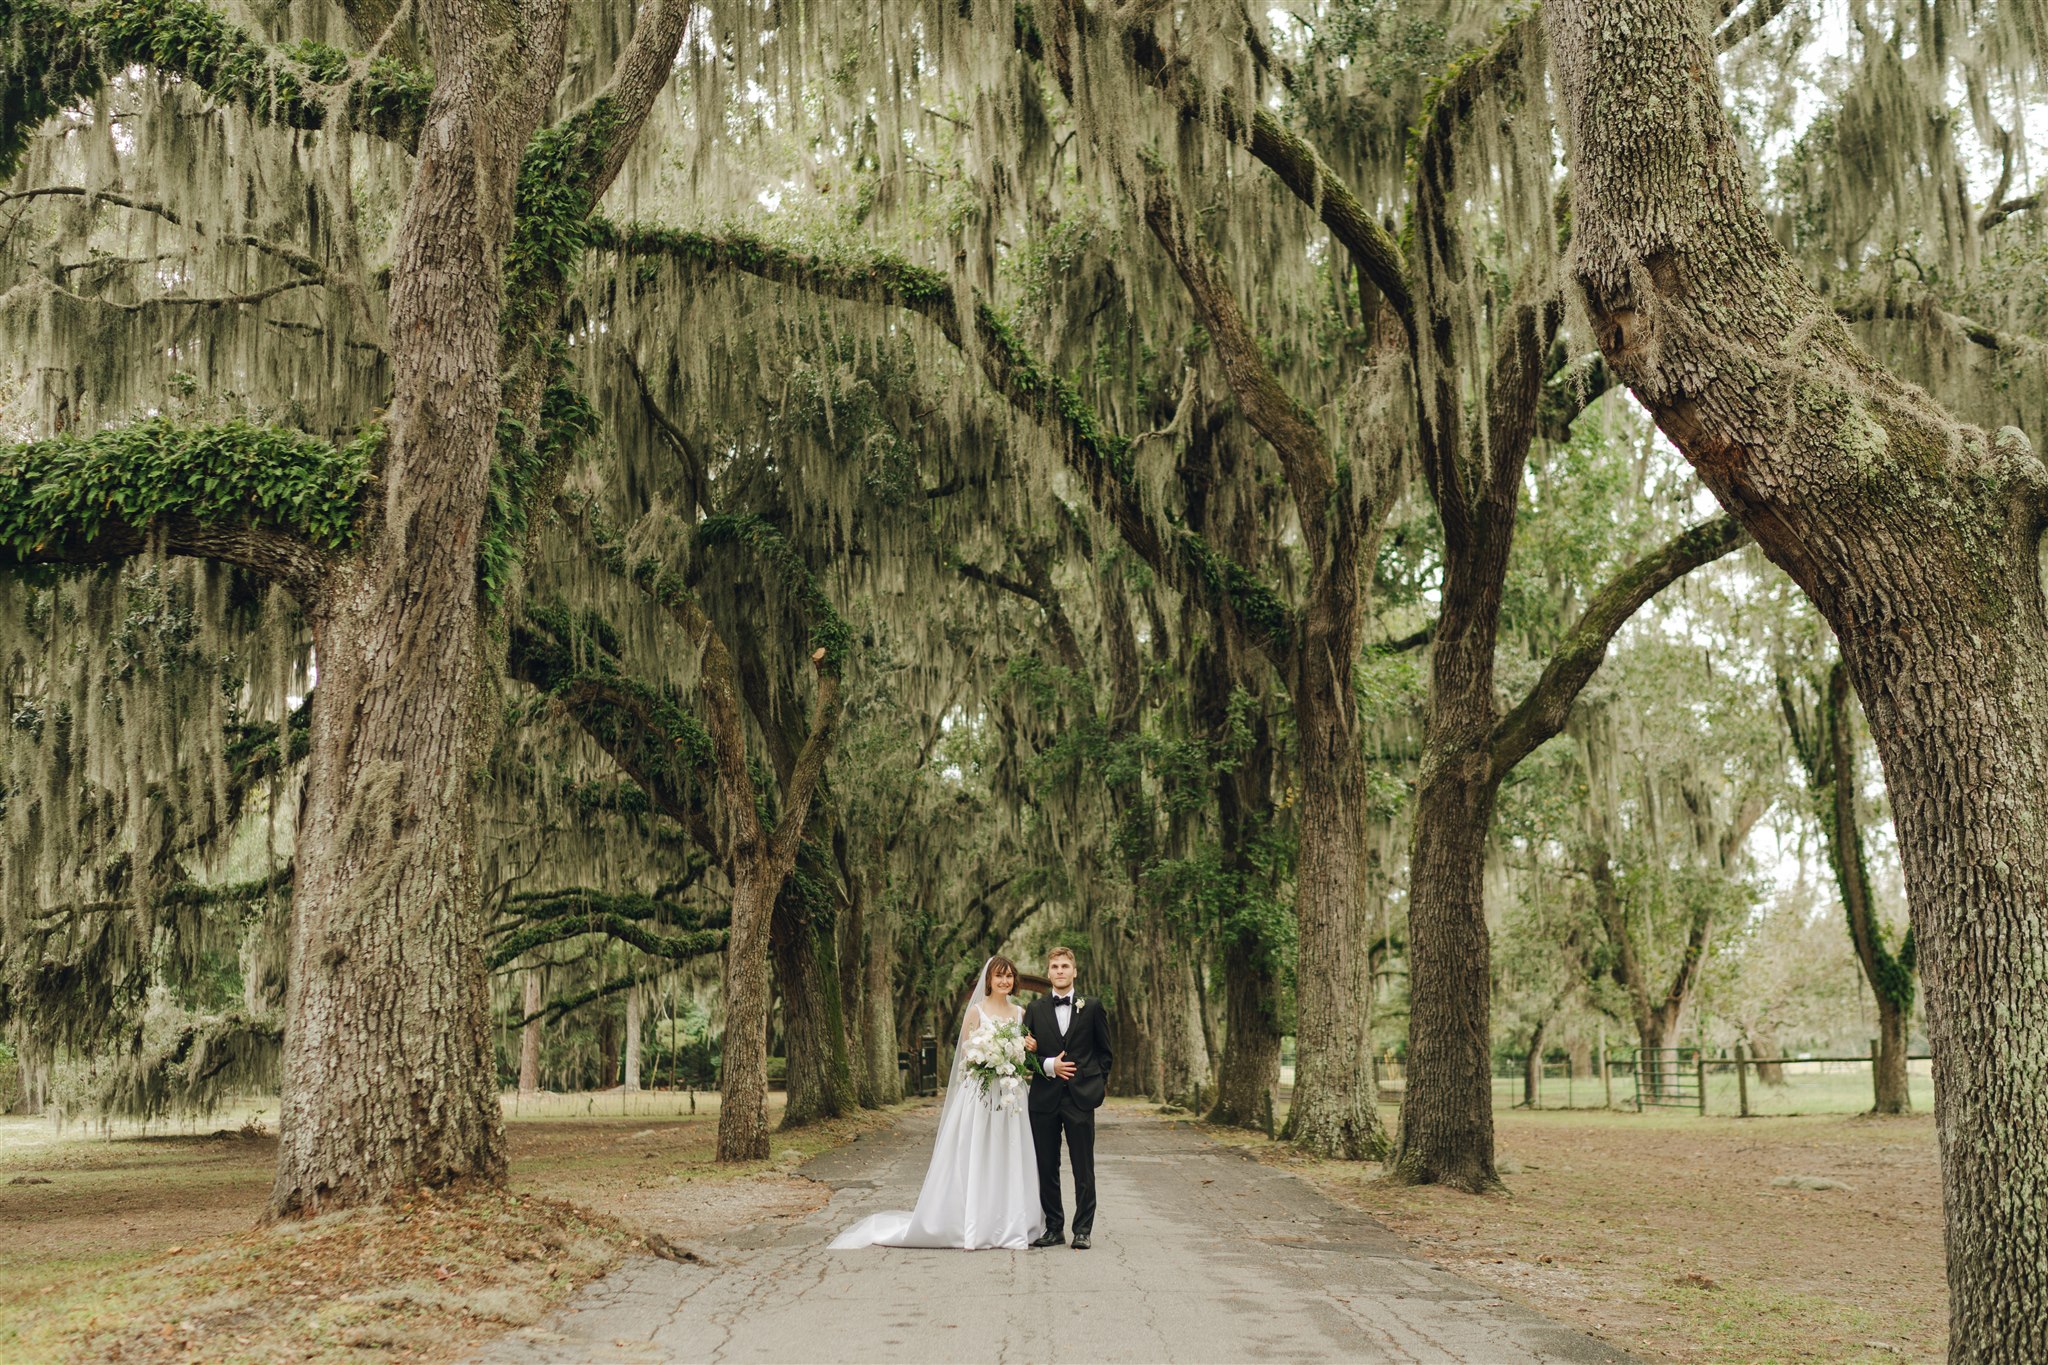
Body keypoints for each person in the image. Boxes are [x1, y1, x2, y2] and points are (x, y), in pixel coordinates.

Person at [829, 956, 1044, 1250]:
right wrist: (986, 1058)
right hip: (980, 1094)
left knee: (1009, 1153)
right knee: (978, 1154)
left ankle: (1010, 1221)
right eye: (998, 976)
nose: (1004, 981)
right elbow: (967, 1054)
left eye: (1009, 976)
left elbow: (1027, 1055)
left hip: (1010, 1096)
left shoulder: (1020, 1014)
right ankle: (974, 1222)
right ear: (989, 981)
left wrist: (1024, 1050)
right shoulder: (976, 1012)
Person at [1021, 945, 1113, 1250]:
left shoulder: (1093, 1006)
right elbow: (1022, 1058)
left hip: (1080, 1098)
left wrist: (1095, 1086)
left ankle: (1083, 1229)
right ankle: (1054, 1228)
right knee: (1046, 1166)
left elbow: (1105, 1054)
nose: (1060, 971)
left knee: (1082, 1166)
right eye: (1055, 967)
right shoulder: (1034, 1010)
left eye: (1065, 966)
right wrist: (1049, 1065)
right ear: (1048, 973)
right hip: (1044, 1099)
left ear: (1074, 971)